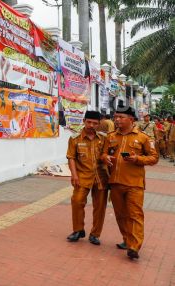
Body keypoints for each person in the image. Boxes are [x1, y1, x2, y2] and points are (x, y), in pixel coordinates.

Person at [102, 105, 158, 260]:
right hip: (115, 183)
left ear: (131, 120)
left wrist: (137, 159)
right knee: (120, 215)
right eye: (116, 117)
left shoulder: (143, 137)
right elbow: (104, 153)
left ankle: (134, 246)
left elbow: (154, 158)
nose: (117, 120)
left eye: (121, 117)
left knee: (135, 215)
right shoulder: (111, 136)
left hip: (134, 184)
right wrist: (105, 157)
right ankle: (127, 240)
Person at [66, 111, 108, 245]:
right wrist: (74, 175)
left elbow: (107, 154)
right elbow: (71, 157)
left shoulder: (103, 138)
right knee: (77, 201)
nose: (91, 125)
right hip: (82, 176)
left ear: (99, 124)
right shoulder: (75, 138)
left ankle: (95, 234)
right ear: (84, 121)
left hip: (100, 177)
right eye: (89, 122)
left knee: (100, 207)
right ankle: (78, 230)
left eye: (95, 123)